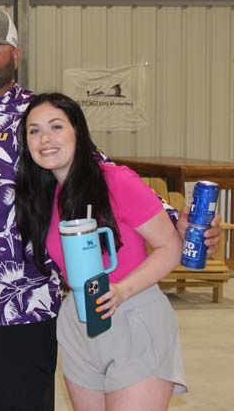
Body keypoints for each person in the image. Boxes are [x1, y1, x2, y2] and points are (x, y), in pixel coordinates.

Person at [0, 8, 221, 411]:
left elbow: (98, 178)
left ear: (15, 55)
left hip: (19, 317)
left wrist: (179, 225)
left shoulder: (40, 118)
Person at [16, 92, 187, 410]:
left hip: (133, 315)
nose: (45, 139)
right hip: (79, 323)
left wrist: (121, 290)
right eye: (34, 131)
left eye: (56, 127)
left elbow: (169, 248)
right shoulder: (46, 197)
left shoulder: (116, 180)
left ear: (77, 133)